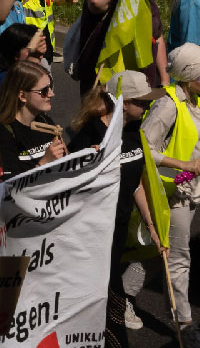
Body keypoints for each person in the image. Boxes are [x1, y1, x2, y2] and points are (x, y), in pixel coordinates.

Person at [142, 44, 200, 348]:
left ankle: (120, 299)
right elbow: (143, 150)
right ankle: (185, 323)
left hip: (190, 190)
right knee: (179, 257)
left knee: (160, 253)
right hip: (171, 192)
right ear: (189, 75)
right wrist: (181, 165)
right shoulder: (167, 105)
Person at [72, 71, 165, 346]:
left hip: (119, 227)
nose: (147, 106)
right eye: (142, 101)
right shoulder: (90, 133)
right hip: (93, 232)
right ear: (123, 102)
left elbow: (135, 184)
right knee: (103, 297)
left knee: (107, 294)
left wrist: (152, 225)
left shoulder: (134, 130)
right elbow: (72, 184)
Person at [73, 0, 167, 94]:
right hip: (104, 88)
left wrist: (164, 80)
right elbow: (96, 1)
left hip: (141, 87)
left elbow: (157, 36)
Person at [0, 59, 66, 178]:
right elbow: (10, 184)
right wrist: (44, 163)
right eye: (43, 91)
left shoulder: (45, 121)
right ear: (23, 96)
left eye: (50, 87)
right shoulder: (1, 133)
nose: (51, 94)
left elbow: (66, 161)